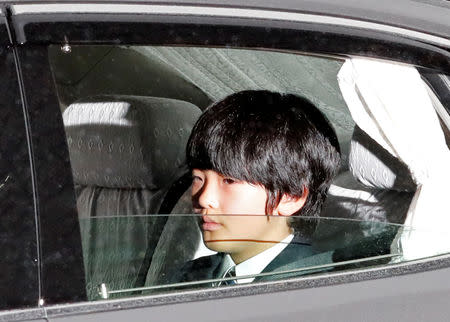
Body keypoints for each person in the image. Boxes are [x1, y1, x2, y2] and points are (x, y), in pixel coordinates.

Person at [173, 90, 340, 286]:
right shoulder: (184, 277)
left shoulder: (321, 287)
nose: (203, 198)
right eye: (197, 178)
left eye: (229, 181)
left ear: (290, 197)